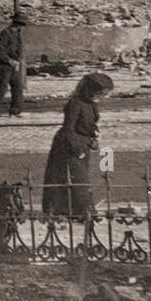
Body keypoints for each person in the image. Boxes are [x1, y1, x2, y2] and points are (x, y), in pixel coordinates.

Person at [41, 72, 111, 218]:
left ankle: (73, 210)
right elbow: (68, 129)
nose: (105, 97)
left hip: (83, 143)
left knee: (77, 177)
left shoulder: (92, 104)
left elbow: (91, 124)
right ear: (92, 90)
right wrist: (78, 150)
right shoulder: (74, 104)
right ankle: (84, 211)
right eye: (103, 93)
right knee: (77, 178)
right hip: (67, 146)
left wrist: (93, 137)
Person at [0, 13, 27, 118]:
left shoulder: (17, 34)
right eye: (20, 25)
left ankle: (14, 112)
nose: (21, 27)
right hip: (2, 64)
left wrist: (18, 61)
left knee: (18, 86)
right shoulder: (5, 33)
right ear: (16, 24)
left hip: (13, 64)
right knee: (3, 88)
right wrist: (9, 61)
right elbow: (0, 50)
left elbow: (19, 50)